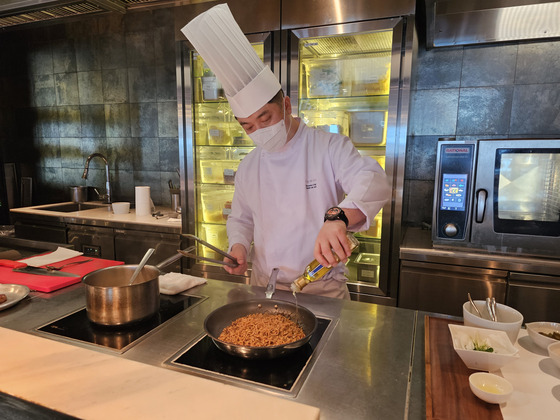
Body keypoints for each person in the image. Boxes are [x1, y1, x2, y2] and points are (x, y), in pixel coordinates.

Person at [182, 4, 391, 299]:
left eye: (265, 118)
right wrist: (238, 246)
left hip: (322, 292)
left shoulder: (328, 147)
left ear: (287, 106)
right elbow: (240, 218)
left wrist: (338, 218)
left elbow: (373, 178)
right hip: (262, 289)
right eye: (248, 126)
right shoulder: (249, 166)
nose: (258, 131)